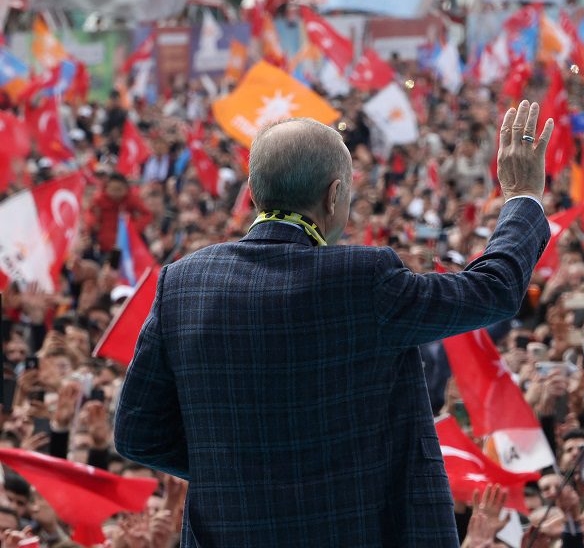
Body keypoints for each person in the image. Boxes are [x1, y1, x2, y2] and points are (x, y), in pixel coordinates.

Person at [113, 102, 554, 545]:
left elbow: (137, 434)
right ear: (334, 194)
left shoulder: (182, 283)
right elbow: (493, 289)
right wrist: (522, 195)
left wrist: (235, 471)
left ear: (253, 191)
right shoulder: (364, 279)